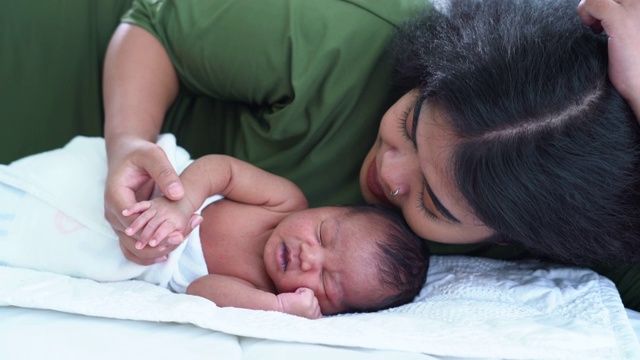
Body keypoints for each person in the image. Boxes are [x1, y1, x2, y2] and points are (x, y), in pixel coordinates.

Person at [2, 0, 640, 309]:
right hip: (57, 61)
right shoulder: (350, 38)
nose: (388, 173)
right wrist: (131, 144)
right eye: (411, 123)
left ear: (512, 237)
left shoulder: (544, 221)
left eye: (434, 203)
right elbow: (154, 22)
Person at [0, 136, 429, 319]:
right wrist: (181, 204)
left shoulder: (263, 291)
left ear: (329, 309)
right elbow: (219, 170)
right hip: (155, 184)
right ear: (328, 207)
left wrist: (277, 310)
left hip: (129, 252)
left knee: (34, 241)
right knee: (49, 184)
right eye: (322, 234)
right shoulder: (284, 201)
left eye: (327, 282)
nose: (308, 256)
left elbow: (199, 292)